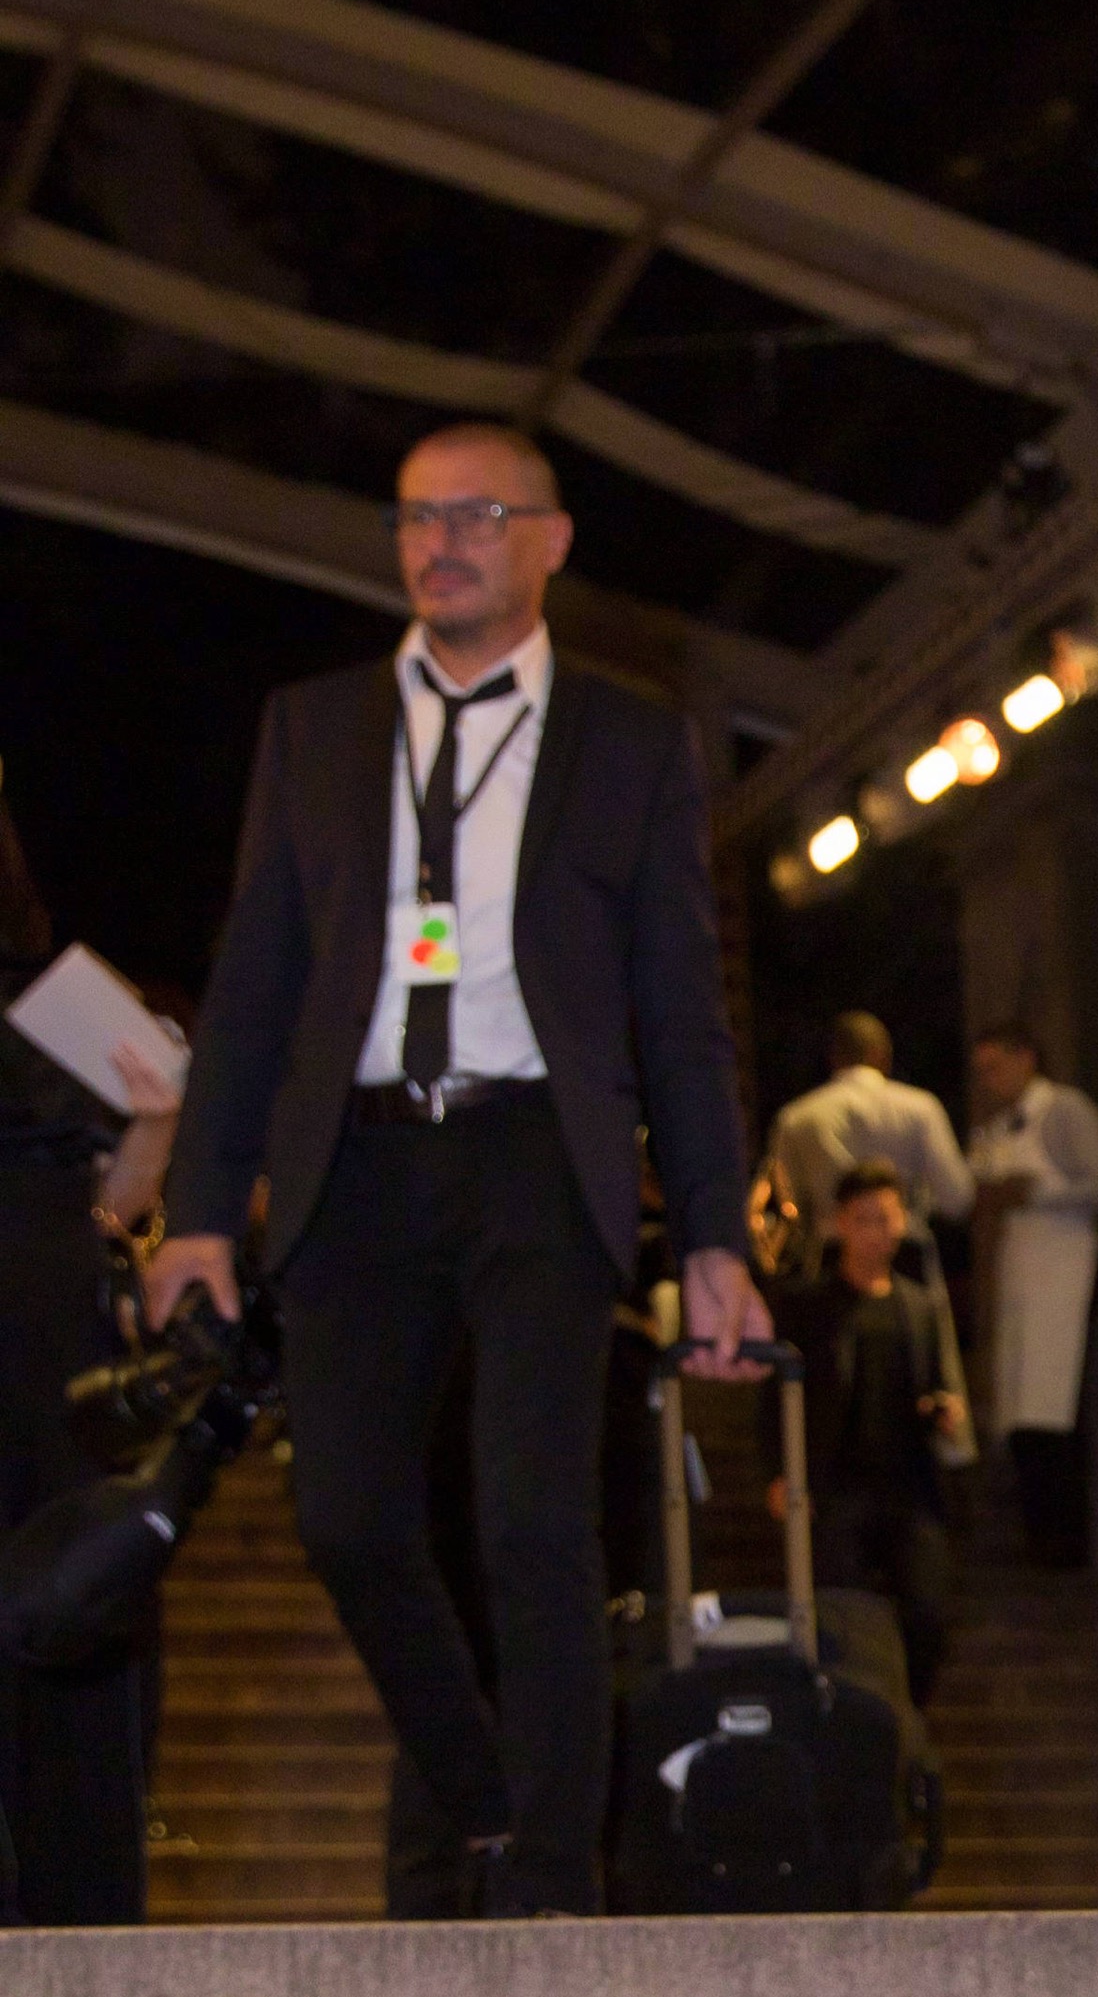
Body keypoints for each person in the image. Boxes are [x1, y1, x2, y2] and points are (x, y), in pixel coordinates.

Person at [149, 421, 770, 1917]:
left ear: (550, 541)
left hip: (533, 1153)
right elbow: (253, 980)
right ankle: (488, 1793)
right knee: (346, 1517)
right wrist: (197, 1211)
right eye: (417, 518)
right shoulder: (314, 726)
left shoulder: (630, 740)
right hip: (355, 1163)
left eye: (479, 515)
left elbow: (680, 1010)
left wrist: (713, 1235)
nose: (442, 543)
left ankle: (550, 1881)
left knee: (532, 1522)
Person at [0, 789, 176, 1923]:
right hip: (52, 1308)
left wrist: (156, 1117)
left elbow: (121, 1200)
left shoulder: (58, 994)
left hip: (50, 1323)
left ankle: (80, 1906)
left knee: (66, 1593)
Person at [776, 1162, 966, 1707]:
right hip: (838, 1484)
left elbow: (935, 1383)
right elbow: (778, 1397)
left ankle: (906, 1711)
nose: (877, 1232)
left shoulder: (919, 1305)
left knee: (927, 1612)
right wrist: (781, 1473)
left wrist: (941, 1409)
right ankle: (853, 1714)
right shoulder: (810, 1306)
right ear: (841, 1223)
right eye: (864, 1220)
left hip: (909, 1485)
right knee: (841, 1611)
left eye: (886, 1218)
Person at [966, 1025, 1098, 1568]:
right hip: (1019, 1272)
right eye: (982, 1071)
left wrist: (1036, 1191)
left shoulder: (1066, 1110)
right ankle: (1035, 1536)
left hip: (1064, 1270)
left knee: (1054, 1405)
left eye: (996, 1066)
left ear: (1026, 1058)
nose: (990, 1080)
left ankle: (1064, 1543)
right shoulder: (993, 1128)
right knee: (1020, 1408)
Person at [771, 1010, 974, 1261]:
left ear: (834, 1058)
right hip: (903, 1252)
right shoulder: (921, 1108)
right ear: (883, 1055)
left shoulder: (797, 1117)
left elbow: (784, 1203)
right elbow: (957, 1199)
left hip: (832, 1256)